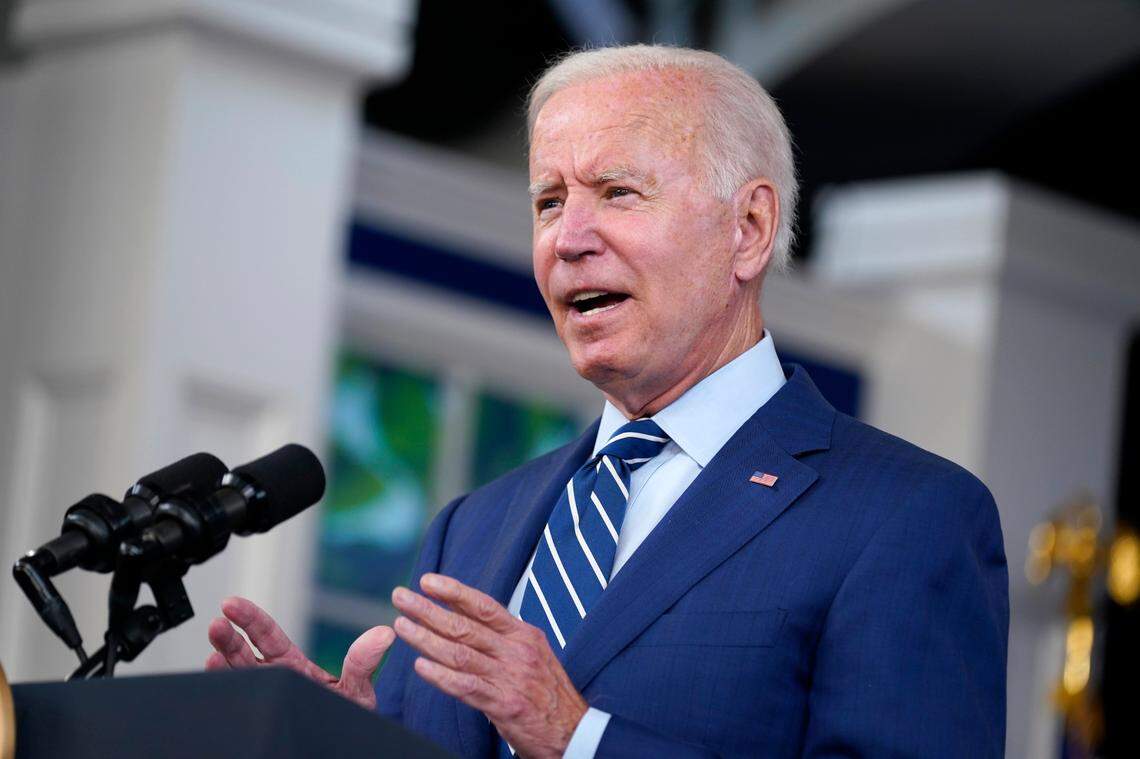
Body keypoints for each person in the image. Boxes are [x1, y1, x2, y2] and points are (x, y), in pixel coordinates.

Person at [206, 45, 1009, 758]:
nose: (568, 237)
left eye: (618, 192)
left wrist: (577, 737)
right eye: (549, 201)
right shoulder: (472, 528)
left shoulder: (907, 516)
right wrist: (343, 739)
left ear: (750, 228)